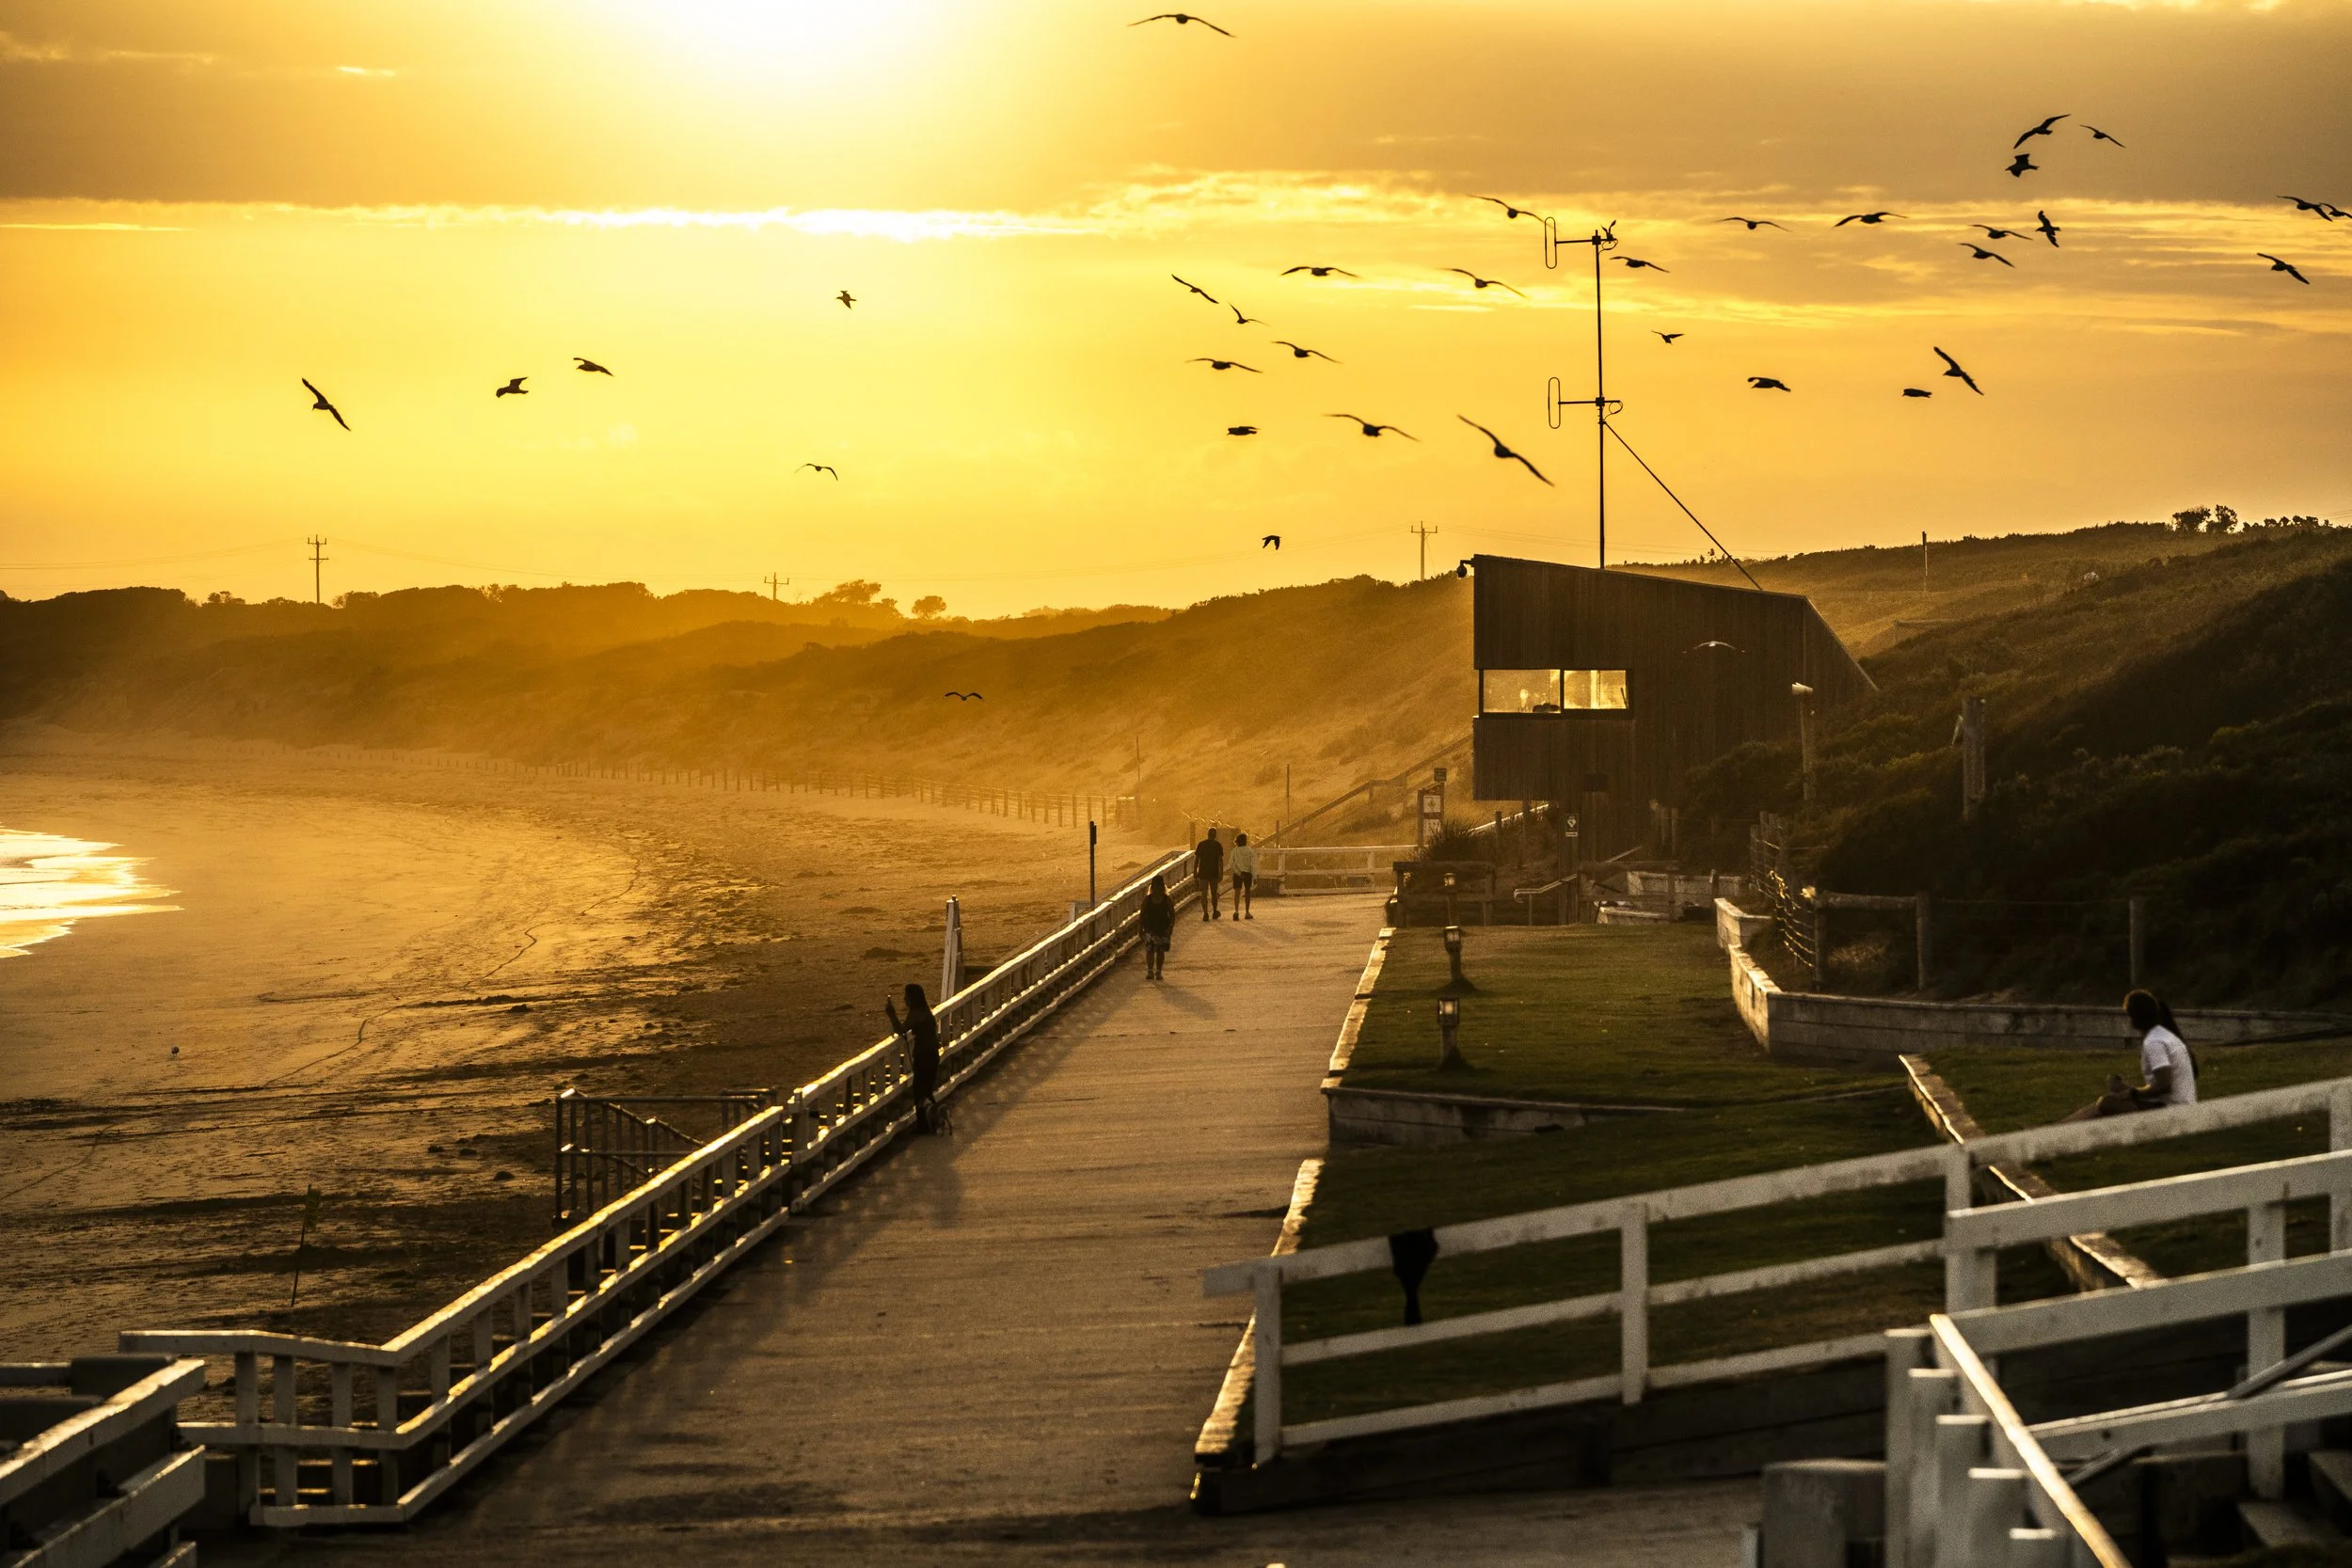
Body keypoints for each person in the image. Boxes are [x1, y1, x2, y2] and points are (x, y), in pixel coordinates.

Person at [2067, 990, 2198, 1120]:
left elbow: (2164, 1085)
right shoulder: (2164, 1035)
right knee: (2102, 1104)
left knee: (2107, 1103)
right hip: (2177, 1105)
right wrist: (2126, 1089)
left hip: (2172, 1110)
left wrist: (2130, 1093)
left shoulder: (2154, 1042)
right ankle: (2062, 1127)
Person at [884, 982, 943, 1133]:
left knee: (919, 1092)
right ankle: (936, 1120)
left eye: (906, 997)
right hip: (933, 1054)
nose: (904, 1000)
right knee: (927, 1090)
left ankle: (924, 1126)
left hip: (924, 1056)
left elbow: (901, 1030)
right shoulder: (926, 1011)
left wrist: (892, 1015)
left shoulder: (916, 1013)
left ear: (912, 999)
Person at [1139, 873, 1176, 979]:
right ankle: (1150, 971)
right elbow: (1142, 915)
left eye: (1159, 886)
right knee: (1150, 950)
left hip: (1163, 929)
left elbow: (1172, 915)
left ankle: (1158, 971)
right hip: (1150, 929)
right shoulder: (1147, 900)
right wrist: (1140, 929)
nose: (1157, 888)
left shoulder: (1167, 900)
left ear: (1162, 886)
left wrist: (1170, 928)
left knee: (1160, 951)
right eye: (1155, 886)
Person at [1194, 826, 1226, 920]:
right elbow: (1220, 860)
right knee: (1213, 893)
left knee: (1204, 893)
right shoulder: (1218, 845)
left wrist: (1195, 872)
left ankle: (1205, 913)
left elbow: (1196, 859)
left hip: (1203, 872)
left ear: (1207, 835)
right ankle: (1215, 911)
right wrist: (1221, 873)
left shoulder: (1201, 844)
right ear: (1215, 836)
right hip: (1214, 873)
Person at [1229, 832, 1260, 920]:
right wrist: (1254, 876)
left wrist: (1238, 872)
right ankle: (1247, 912)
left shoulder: (1234, 851)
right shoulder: (1250, 850)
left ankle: (1236, 911)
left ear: (1237, 841)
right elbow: (1253, 865)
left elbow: (1231, 864)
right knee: (1247, 892)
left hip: (1238, 873)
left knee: (1237, 893)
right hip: (1248, 873)